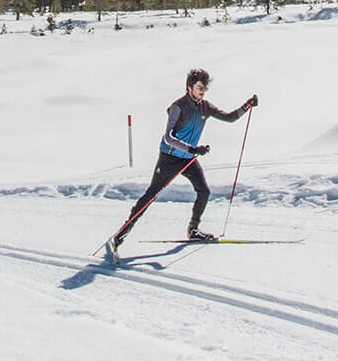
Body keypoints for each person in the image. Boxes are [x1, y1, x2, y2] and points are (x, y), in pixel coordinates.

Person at [110, 69, 257, 250]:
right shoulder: (178, 107)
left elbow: (230, 117)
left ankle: (193, 230)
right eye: (199, 87)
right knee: (151, 194)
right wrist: (192, 148)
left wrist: (247, 106)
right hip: (169, 158)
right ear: (189, 88)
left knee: (204, 191)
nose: (203, 91)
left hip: (188, 159)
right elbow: (168, 137)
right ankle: (123, 231)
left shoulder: (205, 107)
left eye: (205, 88)